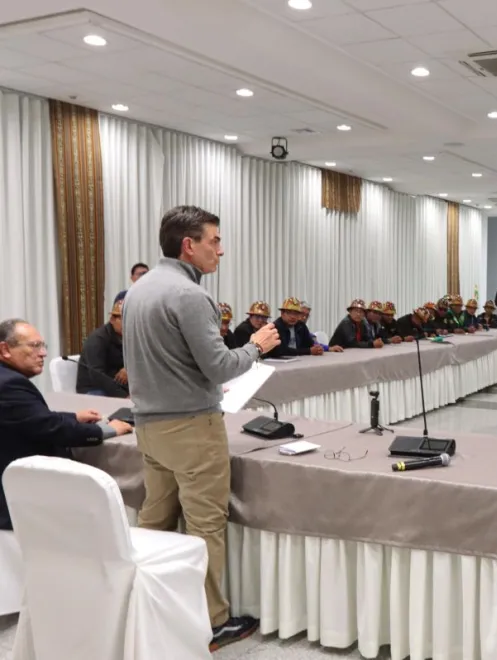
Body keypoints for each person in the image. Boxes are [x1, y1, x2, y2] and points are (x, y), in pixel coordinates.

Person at [122, 205, 281, 650]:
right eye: (215, 240)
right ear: (188, 246)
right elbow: (219, 368)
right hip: (192, 426)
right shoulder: (191, 296)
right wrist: (256, 346)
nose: (221, 250)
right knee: (205, 524)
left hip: (150, 426)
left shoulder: (139, 290)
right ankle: (210, 622)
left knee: (155, 516)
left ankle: (149, 603)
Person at [1, 318, 133, 530]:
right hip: (27, 502)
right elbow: (53, 429)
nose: (43, 353)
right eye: (35, 346)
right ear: (5, 349)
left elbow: (33, 417)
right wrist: (107, 430)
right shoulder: (10, 385)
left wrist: (74, 417)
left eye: (43, 346)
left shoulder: (7, 379)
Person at [76, 299, 128, 397]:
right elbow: (98, 376)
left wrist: (128, 368)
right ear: (112, 319)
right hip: (93, 388)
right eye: (123, 319)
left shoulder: (129, 336)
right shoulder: (97, 339)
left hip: (117, 385)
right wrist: (123, 396)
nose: (127, 324)